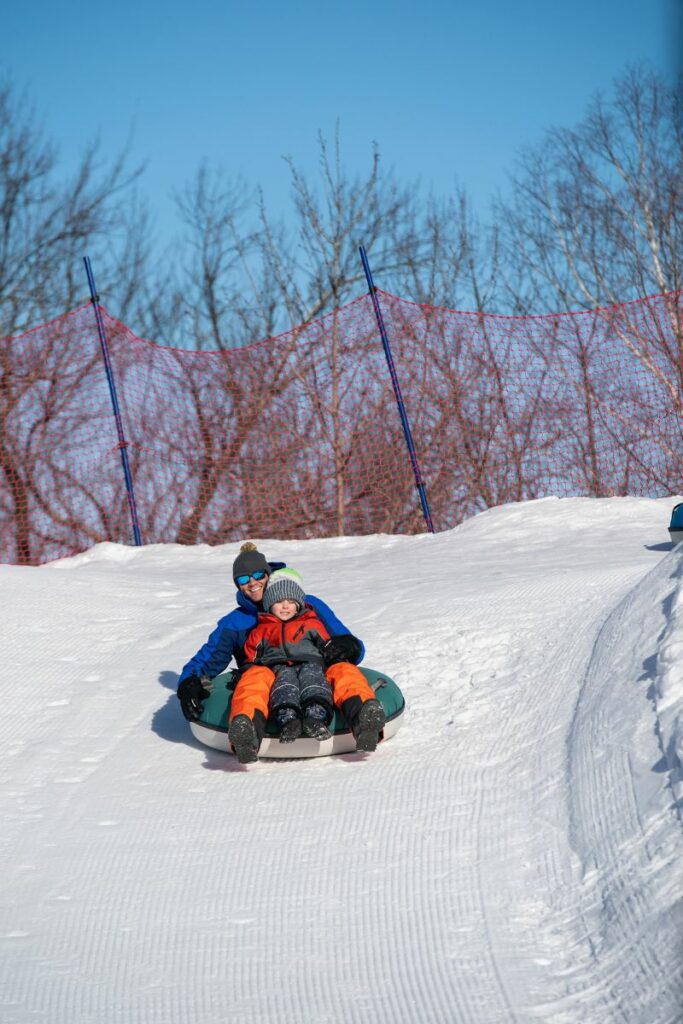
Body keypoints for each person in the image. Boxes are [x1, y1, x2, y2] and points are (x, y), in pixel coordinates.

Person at [176, 542, 385, 762]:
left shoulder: (306, 604)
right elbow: (208, 659)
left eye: (258, 575)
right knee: (254, 679)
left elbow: (347, 641)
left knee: (343, 669)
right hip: (270, 679)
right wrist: (188, 683)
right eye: (244, 579)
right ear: (237, 585)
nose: (253, 583)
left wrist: (348, 646)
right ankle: (245, 733)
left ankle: (365, 719)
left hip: (315, 672)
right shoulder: (236, 622)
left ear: (268, 574)